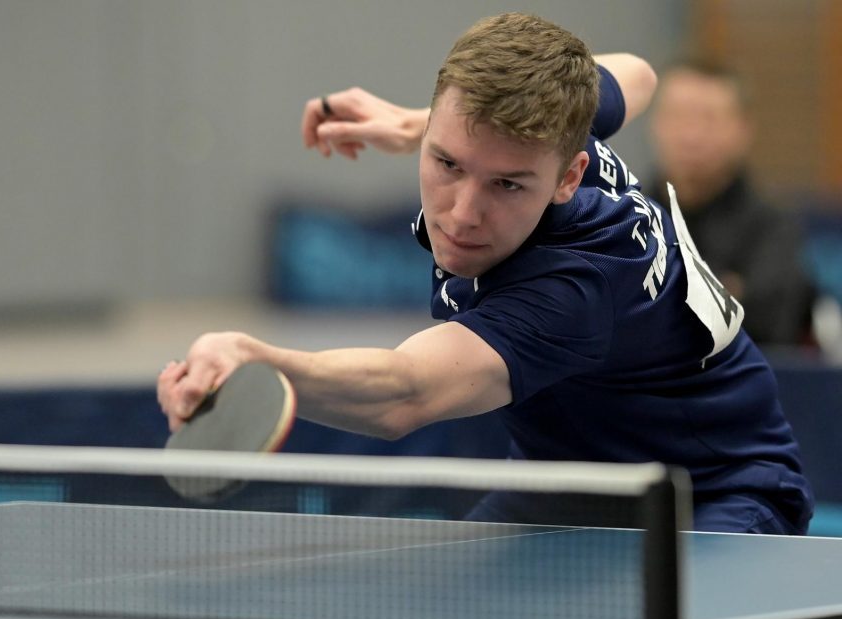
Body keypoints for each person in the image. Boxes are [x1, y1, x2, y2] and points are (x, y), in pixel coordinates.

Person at [158, 13, 813, 534]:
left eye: (506, 183)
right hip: (572, 478)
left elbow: (403, 392)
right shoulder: (559, 121)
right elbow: (638, 74)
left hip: (713, 491)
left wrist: (252, 357)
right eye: (447, 161)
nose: (463, 214)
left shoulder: (574, 288)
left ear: (569, 176)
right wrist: (416, 123)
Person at [647, 59, 813, 347]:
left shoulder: (774, 229)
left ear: (744, 129)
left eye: (709, 119)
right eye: (678, 116)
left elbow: (767, 325)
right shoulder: (620, 215)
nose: (691, 136)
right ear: (655, 123)